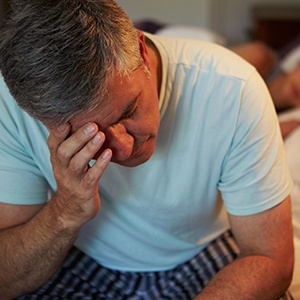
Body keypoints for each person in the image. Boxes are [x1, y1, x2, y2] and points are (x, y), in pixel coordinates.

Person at [0, 0, 294, 299]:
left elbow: (270, 258)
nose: (125, 149)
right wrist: (65, 211)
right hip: (81, 256)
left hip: (200, 249)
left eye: (128, 111)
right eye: (89, 136)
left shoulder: (232, 87)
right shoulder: (11, 104)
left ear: (141, 51)